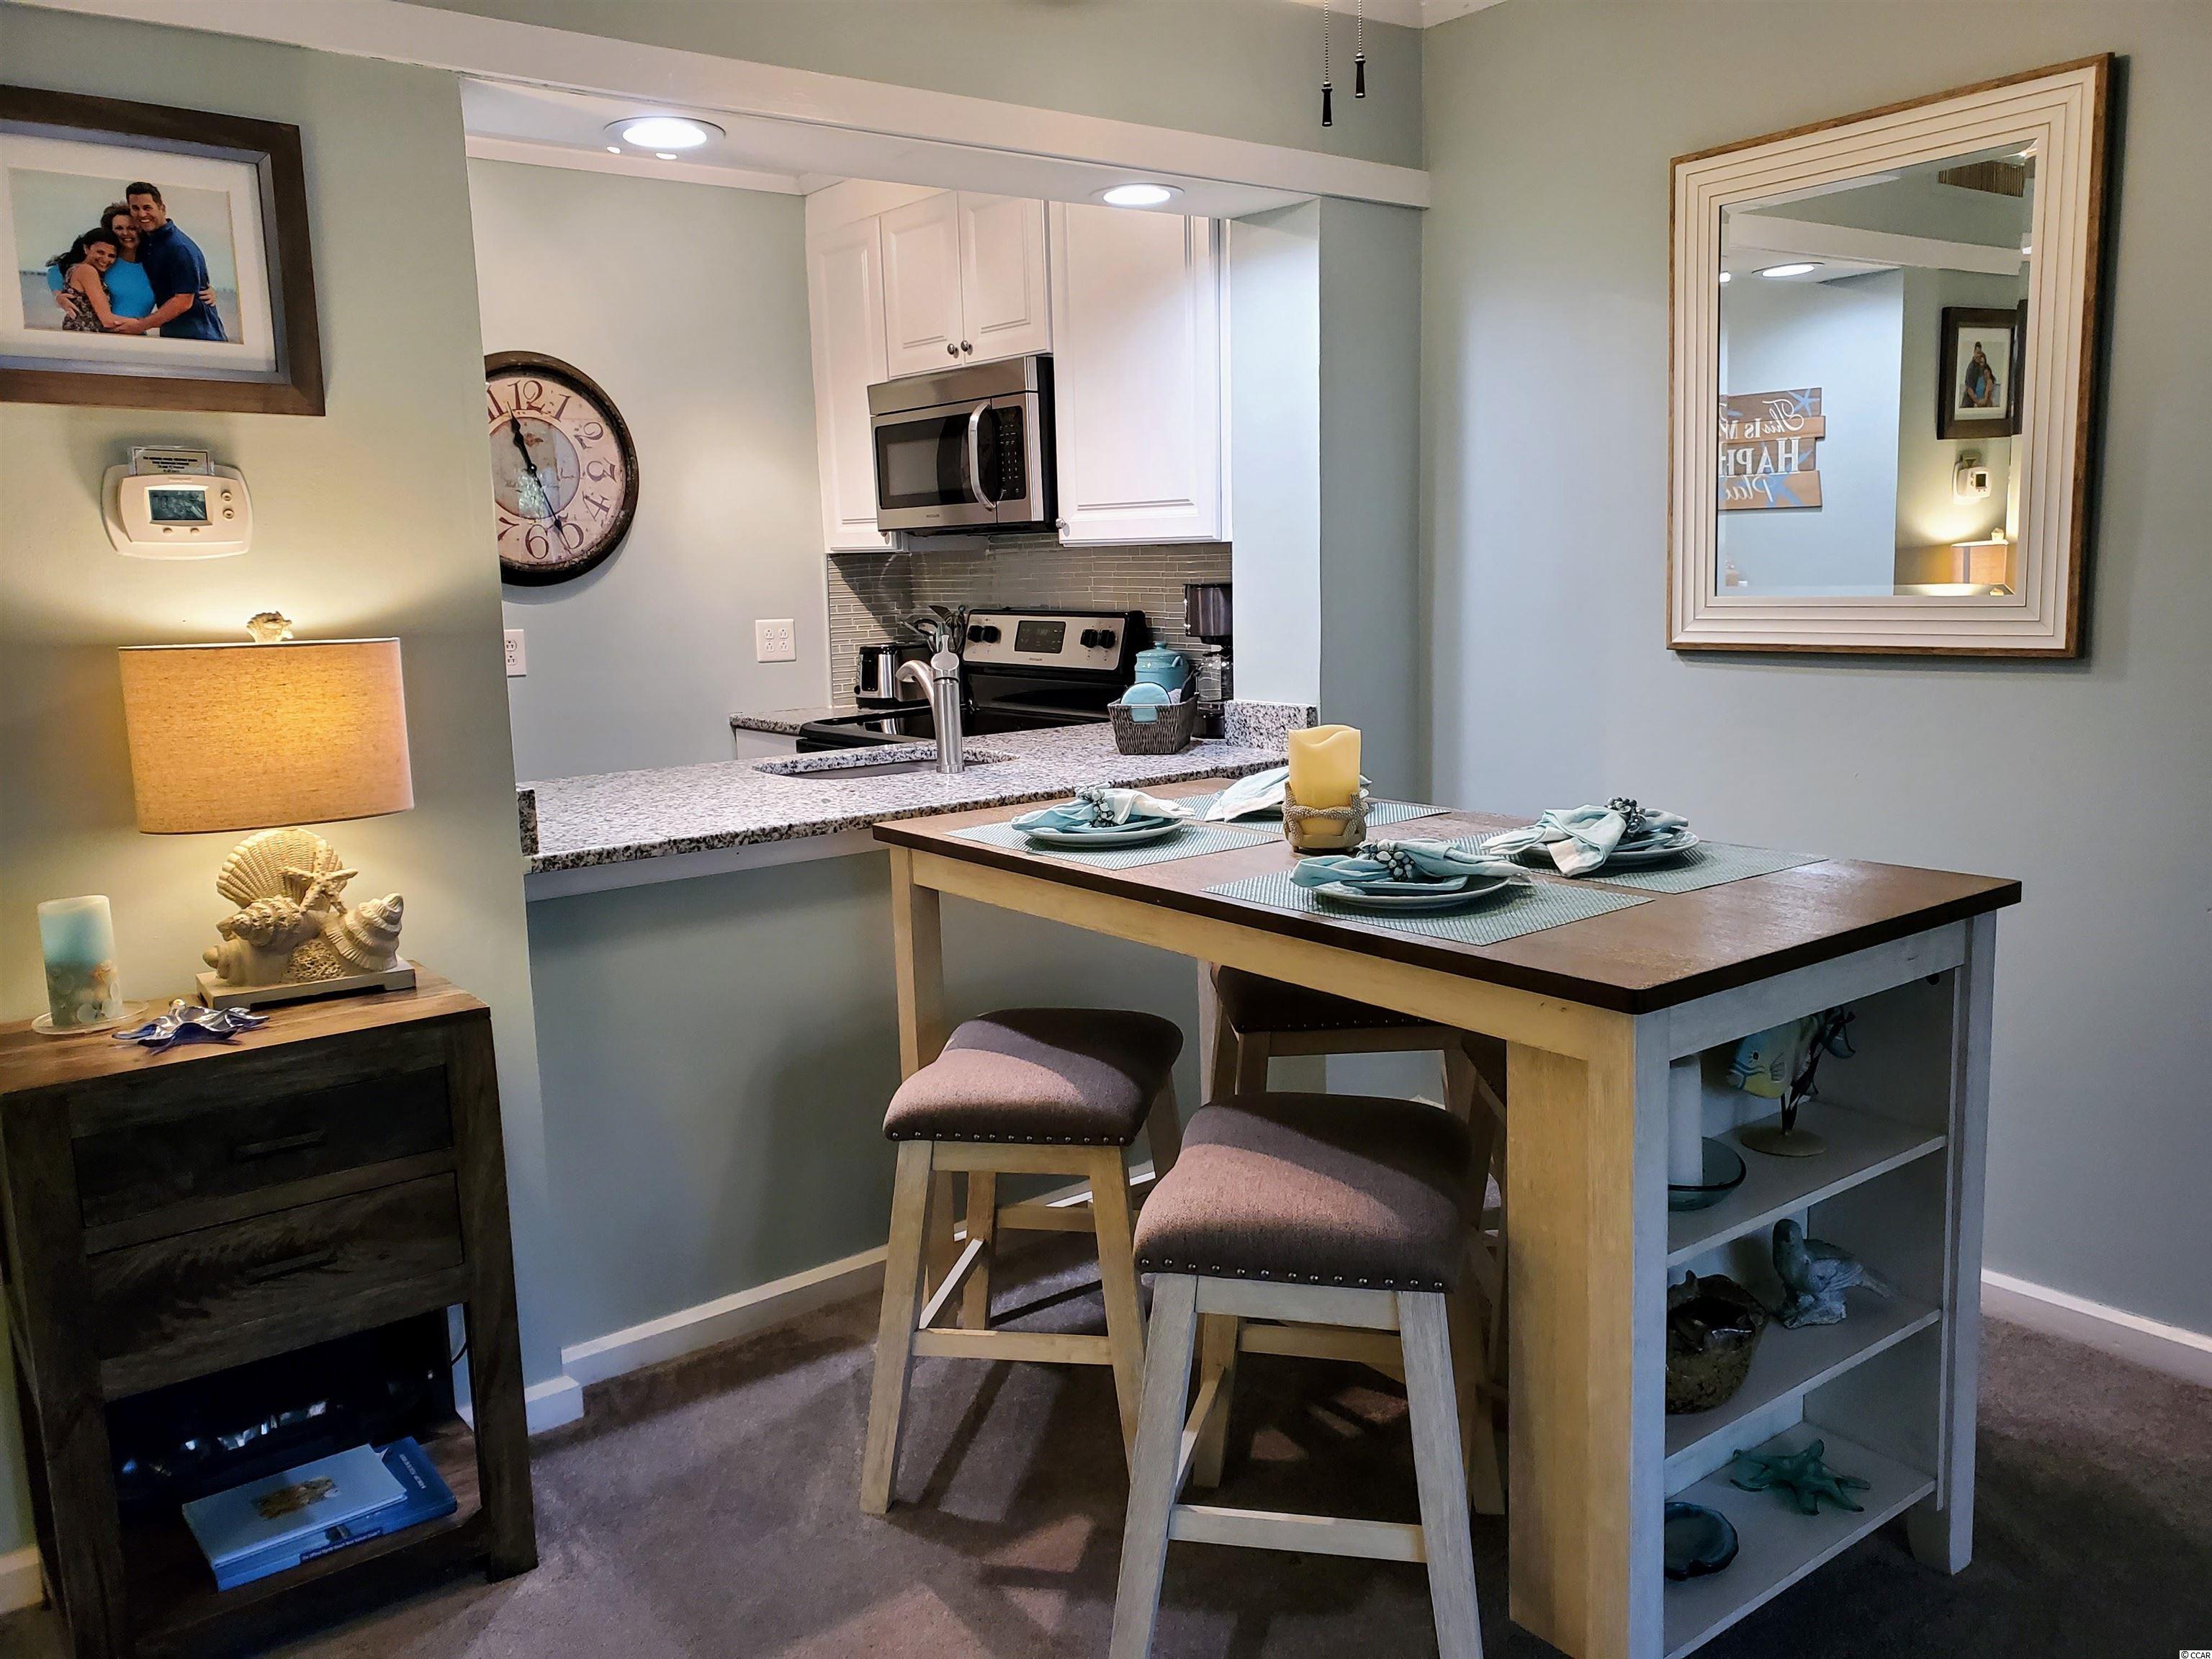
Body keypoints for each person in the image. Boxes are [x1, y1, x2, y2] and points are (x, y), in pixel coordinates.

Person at [125, 180, 228, 341]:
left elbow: (183, 302)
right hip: (172, 333)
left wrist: (140, 326)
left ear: (162, 208)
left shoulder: (179, 248)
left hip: (200, 336)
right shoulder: (146, 241)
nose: (142, 214)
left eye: (147, 208)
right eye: (135, 208)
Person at [45, 228, 145, 333]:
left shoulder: (75, 268)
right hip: (84, 337)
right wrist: (143, 324)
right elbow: (107, 320)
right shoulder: (87, 271)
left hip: (77, 334)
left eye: (111, 256)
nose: (105, 259)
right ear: (86, 249)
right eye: (100, 252)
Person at [1961, 341, 2000, 410]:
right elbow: (1969, 389)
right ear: (1974, 353)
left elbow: (1989, 387)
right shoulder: (1972, 368)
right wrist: (1978, 402)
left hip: (1982, 404)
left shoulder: (1984, 372)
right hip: (1970, 403)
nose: (1979, 355)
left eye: (1980, 353)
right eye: (1977, 353)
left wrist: (1984, 401)